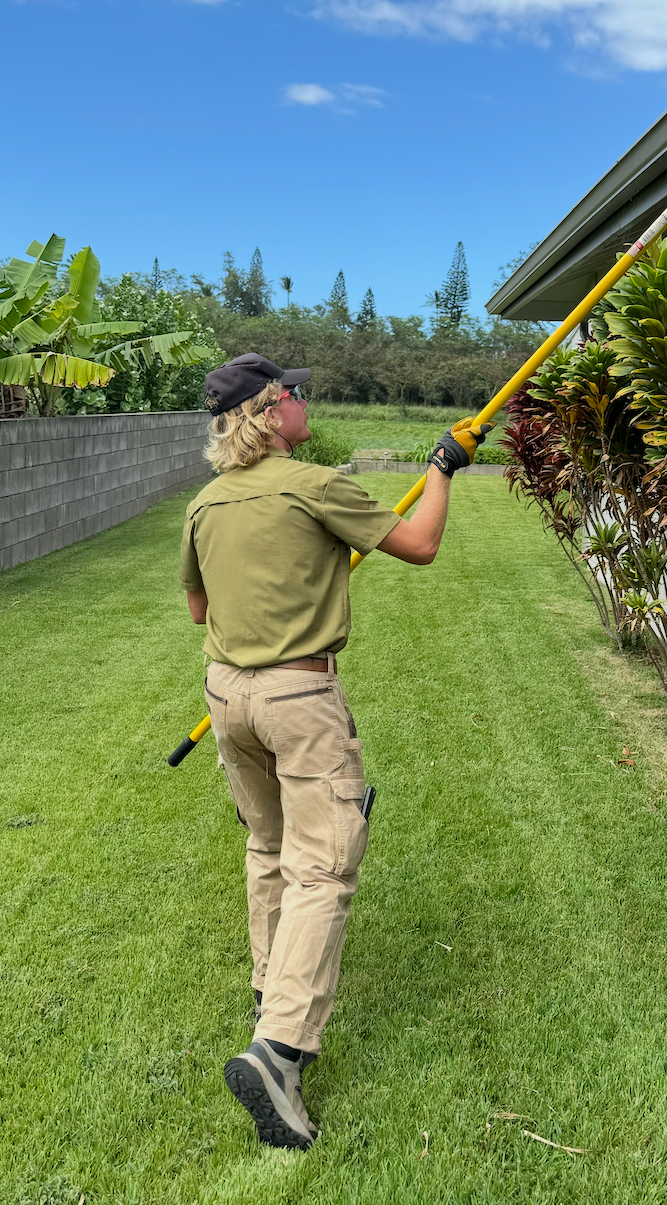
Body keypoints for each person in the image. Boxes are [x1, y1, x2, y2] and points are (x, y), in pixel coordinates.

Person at [178, 352, 491, 1150]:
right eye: (298, 393)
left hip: (227, 696)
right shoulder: (314, 484)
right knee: (322, 863)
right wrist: (443, 465)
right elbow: (419, 545)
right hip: (297, 700)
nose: (306, 403)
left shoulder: (204, 506)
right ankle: (279, 1051)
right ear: (273, 408)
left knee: (269, 843)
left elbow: (198, 608)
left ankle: (268, 989)